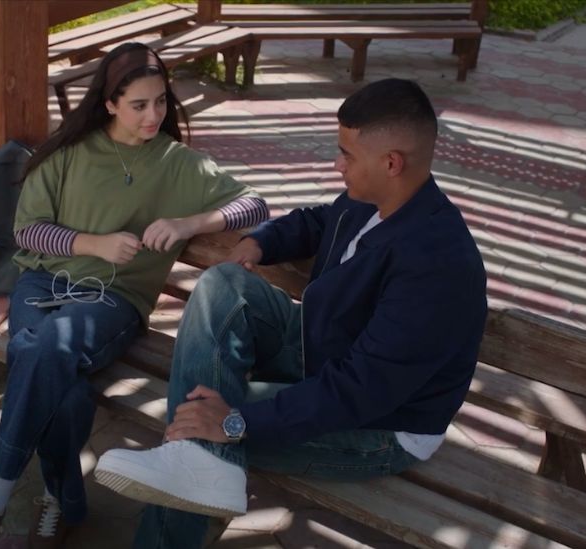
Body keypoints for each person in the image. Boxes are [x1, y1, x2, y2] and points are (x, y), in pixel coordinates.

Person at [93, 78, 488, 548]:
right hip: (321, 353)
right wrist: (262, 241)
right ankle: (196, 461)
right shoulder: (373, 202)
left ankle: (191, 471)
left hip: (380, 426)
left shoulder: (436, 265)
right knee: (224, 283)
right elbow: (319, 220)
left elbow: (359, 393)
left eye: (346, 155)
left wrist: (234, 422)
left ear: (391, 163)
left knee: (197, 422)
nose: (337, 164)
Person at [0, 42, 269, 549]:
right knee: (62, 385)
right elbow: (28, 230)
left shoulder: (177, 163)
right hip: (41, 283)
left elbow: (254, 204)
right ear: (109, 104)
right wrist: (92, 243)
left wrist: (190, 223)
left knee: (45, 349)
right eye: (138, 105)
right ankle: (60, 499)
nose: (153, 116)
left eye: (160, 102)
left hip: (113, 297)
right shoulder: (70, 151)